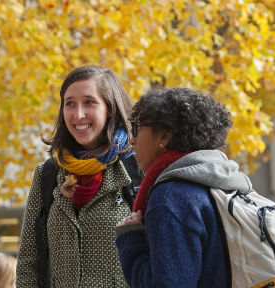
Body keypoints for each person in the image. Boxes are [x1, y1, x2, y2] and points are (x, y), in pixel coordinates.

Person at [114, 88, 250, 287]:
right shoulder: (222, 185)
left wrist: (131, 240)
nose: (131, 139)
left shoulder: (170, 198)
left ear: (164, 137)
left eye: (136, 128)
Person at [16, 65, 138, 287]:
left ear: (110, 108)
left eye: (89, 102)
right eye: (69, 103)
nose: (78, 114)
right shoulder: (48, 174)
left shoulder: (137, 169)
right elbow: (28, 262)